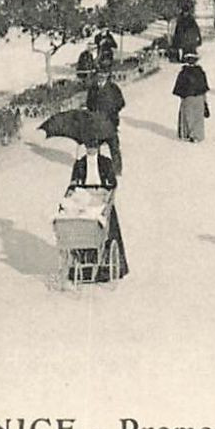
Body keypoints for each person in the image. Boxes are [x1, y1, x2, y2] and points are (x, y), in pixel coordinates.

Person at [67, 144, 128, 281]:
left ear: (98, 146)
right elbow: (72, 184)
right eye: (89, 145)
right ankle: (82, 263)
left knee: (107, 229)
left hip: (101, 198)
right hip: (84, 199)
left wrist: (108, 195)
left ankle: (106, 268)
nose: (91, 148)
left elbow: (113, 183)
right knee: (81, 226)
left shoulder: (105, 162)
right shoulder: (80, 163)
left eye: (94, 145)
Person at [84, 71, 126, 173]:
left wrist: (113, 110)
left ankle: (117, 170)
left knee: (114, 147)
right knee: (96, 147)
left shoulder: (113, 88)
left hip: (110, 122)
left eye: (103, 76)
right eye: (99, 76)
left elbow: (121, 103)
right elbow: (89, 104)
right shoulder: (93, 89)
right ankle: (99, 169)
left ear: (107, 76)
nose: (101, 78)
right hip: (97, 123)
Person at [173, 52, 210, 142]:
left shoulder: (183, 73)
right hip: (199, 97)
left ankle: (186, 134)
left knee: (186, 116)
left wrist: (182, 96)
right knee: (198, 117)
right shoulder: (200, 72)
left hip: (187, 98)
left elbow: (179, 88)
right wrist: (205, 102)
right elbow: (204, 88)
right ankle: (197, 135)